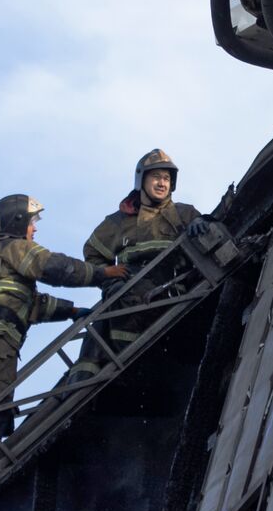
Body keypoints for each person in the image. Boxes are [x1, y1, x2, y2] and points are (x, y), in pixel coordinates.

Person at [0, 195, 124, 495]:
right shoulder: (16, 247)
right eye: (33, 222)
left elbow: (29, 304)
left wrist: (72, 312)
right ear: (19, 221)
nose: (35, 229)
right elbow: (55, 268)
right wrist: (102, 274)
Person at [66, 149, 205, 384]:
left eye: (167, 178)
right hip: (128, 297)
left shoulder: (184, 213)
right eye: (156, 177)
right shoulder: (118, 222)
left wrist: (202, 223)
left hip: (169, 293)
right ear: (141, 180)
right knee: (99, 320)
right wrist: (109, 279)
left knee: (109, 314)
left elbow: (209, 236)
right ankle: (81, 378)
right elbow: (92, 252)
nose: (162, 183)